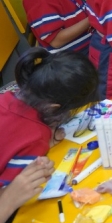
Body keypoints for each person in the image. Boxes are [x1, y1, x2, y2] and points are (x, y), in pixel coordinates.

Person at [0, 47, 98, 187]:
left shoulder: (6, 96)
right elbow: (10, 190)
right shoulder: (36, 137)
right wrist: (42, 145)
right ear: (54, 108)